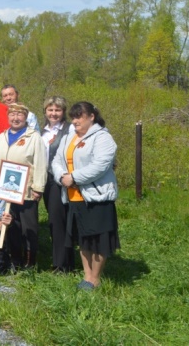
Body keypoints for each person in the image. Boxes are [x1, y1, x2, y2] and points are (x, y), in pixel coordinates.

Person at [52, 102, 119, 291]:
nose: (75, 121)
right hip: (73, 196)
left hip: (96, 197)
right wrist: (61, 177)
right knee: (83, 238)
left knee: (97, 239)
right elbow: (57, 160)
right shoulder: (68, 137)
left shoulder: (103, 138)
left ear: (91, 117)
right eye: (73, 117)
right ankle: (86, 277)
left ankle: (95, 279)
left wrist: (74, 177)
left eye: (79, 116)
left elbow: (100, 165)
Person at [0, 103, 47, 269]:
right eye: (12, 115)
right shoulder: (2, 136)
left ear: (25, 117)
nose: (15, 118)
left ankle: (30, 262)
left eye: (19, 115)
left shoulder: (34, 137)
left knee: (28, 227)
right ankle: (15, 259)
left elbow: (41, 163)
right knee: (11, 224)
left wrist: (38, 187)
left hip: (26, 191)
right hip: (5, 189)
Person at [42, 96, 75, 273]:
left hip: (62, 180)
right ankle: (62, 260)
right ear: (45, 111)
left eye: (57, 110)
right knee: (55, 221)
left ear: (63, 112)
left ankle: (62, 264)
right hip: (47, 180)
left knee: (61, 221)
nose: (53, 113)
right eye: (50, 110)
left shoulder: (70, 130)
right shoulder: (42, 131)